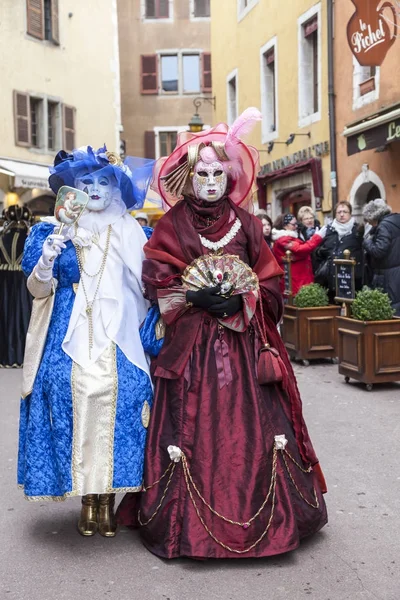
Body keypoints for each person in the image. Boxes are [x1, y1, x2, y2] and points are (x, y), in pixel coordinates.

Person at [117, 108, 327, 559]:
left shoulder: (248, 225)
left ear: (229, 176)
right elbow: (157, 277)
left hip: (244, 342)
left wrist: (245, 300)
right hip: (191, 347)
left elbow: (269, 279)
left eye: (218, 172)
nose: (211, 181)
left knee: (256, 425)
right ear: (188, 177)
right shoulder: (171, 226)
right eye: (202, 173)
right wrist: (193, 298)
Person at [18, 145, 155, 537]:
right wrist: (46, 259)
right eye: (87, 182)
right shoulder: (51, 230)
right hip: (66, 330)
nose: (95, 189)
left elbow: (153, 285)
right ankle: (85, 498)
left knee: (126, 392)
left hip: (120, 332)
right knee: (63, 389)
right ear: (73, 188)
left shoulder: (136, 234)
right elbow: (37, 290)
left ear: (117, 188)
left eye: (104, 182)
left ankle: (106, 499)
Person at [0, 206, 33, 367]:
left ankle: (5, 355)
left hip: (4, 280)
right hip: (22, 280)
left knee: (5, 315)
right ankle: (20, 355)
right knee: (22, 315)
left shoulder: (1, 237)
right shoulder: (29, 238)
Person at [314, 201, 364, 303]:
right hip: (330, 281)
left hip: (352, 280)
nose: (342, 214)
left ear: (350, 214)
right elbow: (315, 251)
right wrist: (320, 252)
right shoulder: (327, 230)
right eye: (339, 212)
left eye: (345, 212)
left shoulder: (358, 230)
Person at [272, 214, 326, 297]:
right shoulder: (283, 240)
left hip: (299, 279)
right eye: (293, 224)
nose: (296, 226)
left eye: (296, 224)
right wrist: (317, 237)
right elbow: (301, 249)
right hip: (294, 281)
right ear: (285, 226)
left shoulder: (291, 237)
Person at [363, 198, 400, 316]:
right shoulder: (396, 220)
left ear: (374, 217)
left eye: (369, 220)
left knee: (391, 309)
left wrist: (367, 241)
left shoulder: (383, 226)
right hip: (396, 271)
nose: (368, 223)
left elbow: (378, 251)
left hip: (388, 276)